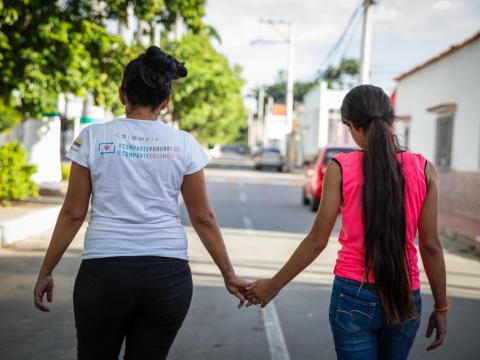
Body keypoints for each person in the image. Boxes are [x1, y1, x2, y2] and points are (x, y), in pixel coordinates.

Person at [33, 46, 249, 360]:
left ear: (122, 94)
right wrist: (228, 274)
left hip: (104, 274)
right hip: (167, 277)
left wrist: (46, 271)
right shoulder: (184, 144)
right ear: (166, 100)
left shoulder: (93, 137)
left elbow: (72, 214)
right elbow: (203, 217)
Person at [245, 85, 449, 359]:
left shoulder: (340, 167)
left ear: (352, 127)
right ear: (392, 121)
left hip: (353, 295)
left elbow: (317, 241)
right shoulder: (424, 168)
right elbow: (431, 246)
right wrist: (441, 307)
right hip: (405, 294)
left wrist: (274, 285)